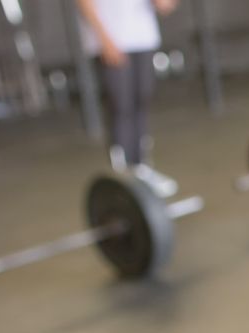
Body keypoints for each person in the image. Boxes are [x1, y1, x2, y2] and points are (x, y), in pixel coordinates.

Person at [76, 0, 179, 197]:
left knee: (142, 101)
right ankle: (122, 177)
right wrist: (104, 39)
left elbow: (165, 5)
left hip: (143, 37)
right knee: (121, 106)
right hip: (112, 40)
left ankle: (142, 168)